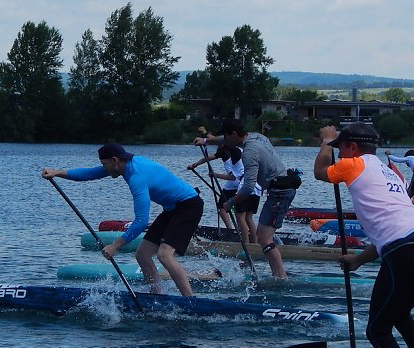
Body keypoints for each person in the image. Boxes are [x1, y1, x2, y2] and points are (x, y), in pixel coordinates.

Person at [313, 123, 414, 348]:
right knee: (401, 316)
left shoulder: (354, 163)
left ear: (352, 147)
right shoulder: (390, 172)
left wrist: (326, 142)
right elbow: (393, 228)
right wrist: (359, 260)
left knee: (377, 330)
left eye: (342, 149)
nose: (340, 154)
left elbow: (320, 173)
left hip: (405, 249)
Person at [42, 143, 203, 296]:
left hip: (188, 206)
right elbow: (90, 173)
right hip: (172, 209)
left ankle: (190, 298)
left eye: (104, 164)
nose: (103, 168)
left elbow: (141, 221)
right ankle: (156, 295)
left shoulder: (137, 178)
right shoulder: (125, 163)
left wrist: (115, 246)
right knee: (142, 254)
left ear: (115, 161)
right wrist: (57, 173)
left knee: (164, 255)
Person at [196, 118, 300, 279]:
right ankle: (278, 274)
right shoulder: (256, 136)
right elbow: (224, 139)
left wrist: (229, 204)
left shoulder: (249, 153)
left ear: (234, 134)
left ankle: (280, 277)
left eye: (226, 136)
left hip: (280, 192)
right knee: (263, 237)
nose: (224, 141)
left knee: (264, 239)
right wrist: (205, 140)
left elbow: (248, 188)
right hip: (281, 188)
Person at [188, 144, 261, 243]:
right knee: (248, 217)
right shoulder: (242, 151)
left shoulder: (232, 159)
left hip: (243, 187)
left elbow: (232, 177)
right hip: (256, 187)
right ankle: (255, 243)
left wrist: (197, 166)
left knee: (239, 216)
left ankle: (244, 242)